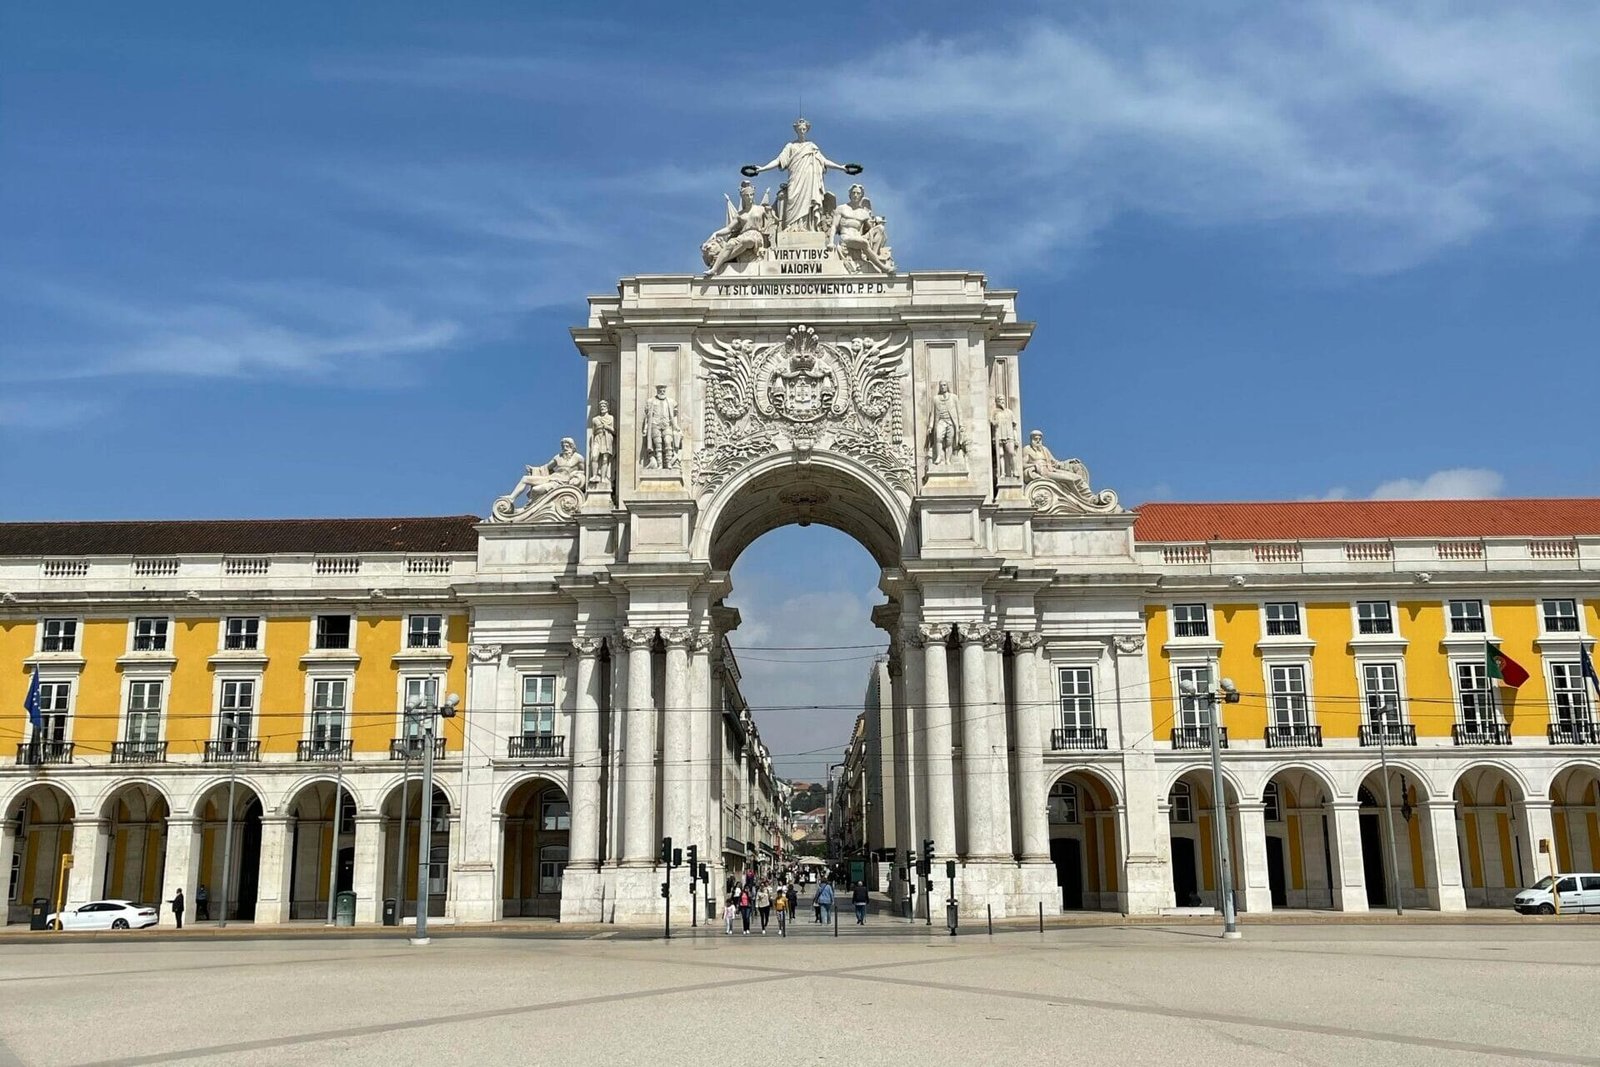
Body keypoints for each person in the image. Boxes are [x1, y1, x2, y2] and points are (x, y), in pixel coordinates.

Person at [745, 117, 856, 232]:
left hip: (809, 180)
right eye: (799, 128)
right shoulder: (790, 146)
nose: (802, 130)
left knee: (809, 203)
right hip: (795, 178)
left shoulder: (811, 146)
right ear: (796, 130)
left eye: (804, 128)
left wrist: (841, 167)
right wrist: (762, 169)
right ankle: (791, 228)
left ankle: (808, 227)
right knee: (791, 200)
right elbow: (778, 161)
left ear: (807, 129)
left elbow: (824, 161)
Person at [588, 401, 615, 487]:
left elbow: (614, 431)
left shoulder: (611, 418)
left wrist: (607, 427)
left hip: (607, 437)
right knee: (594, 456)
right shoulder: (595, 419)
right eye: (601, 406)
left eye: (604, 406)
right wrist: (592, 444)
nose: (602, 407)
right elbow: (592, 433)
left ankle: (603, 478)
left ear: (607, 407)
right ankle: (594, 476)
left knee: (605, 458)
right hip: (597, 438)